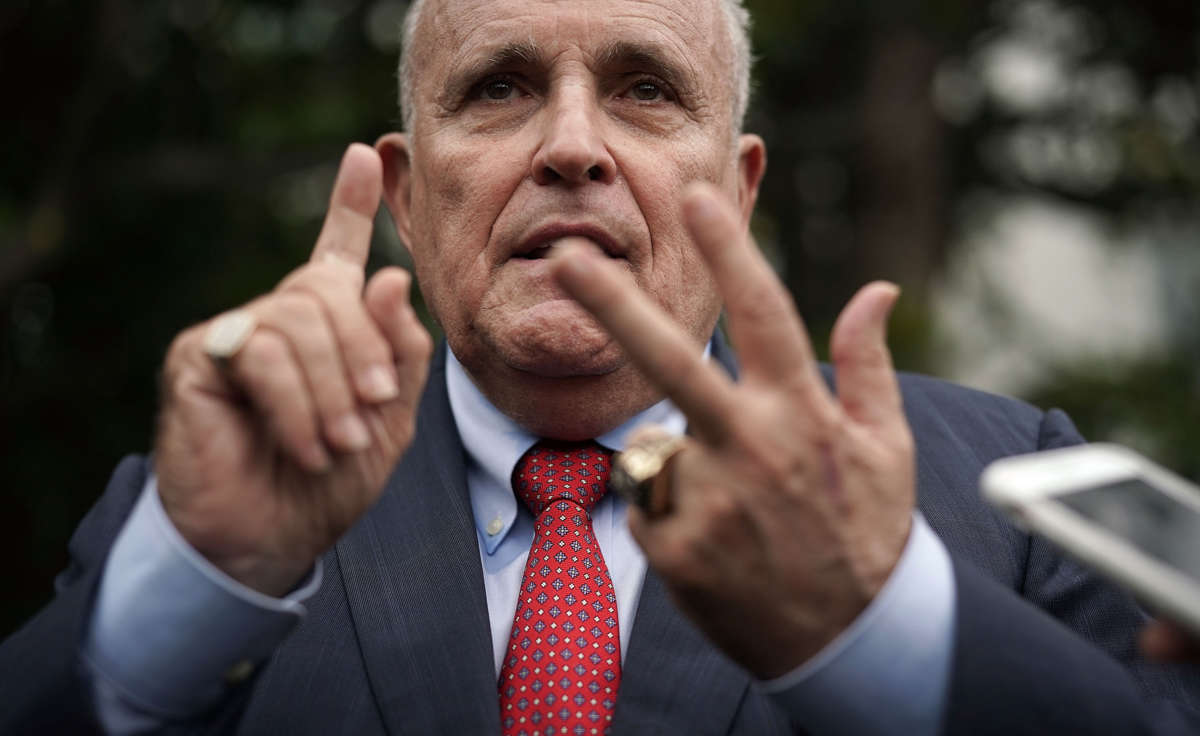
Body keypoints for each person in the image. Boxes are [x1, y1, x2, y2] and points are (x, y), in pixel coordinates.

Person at [3, 0, 1199, 733]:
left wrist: (879, 626)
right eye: (501, 87)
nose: (574, 145)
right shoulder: (216, 509)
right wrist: (200, 587)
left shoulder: (1010, 488)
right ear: (409, 204)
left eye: (643, 88)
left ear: (735, 188)